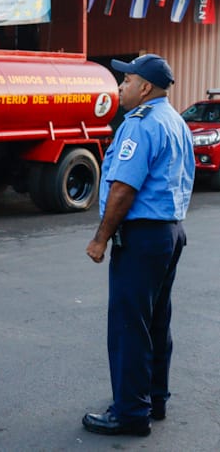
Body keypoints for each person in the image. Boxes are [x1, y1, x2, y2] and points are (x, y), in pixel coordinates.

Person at [82, 54, 194, 437]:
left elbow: (124, 188)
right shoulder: (175, 121)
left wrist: (100, 239)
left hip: (143, 235)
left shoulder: (140, 125)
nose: (120, 87)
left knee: (130, 326)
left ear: (144, 88)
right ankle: (153, 398)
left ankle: (130, 413)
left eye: (126, 80)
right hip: (169, 232)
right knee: (155, 321)